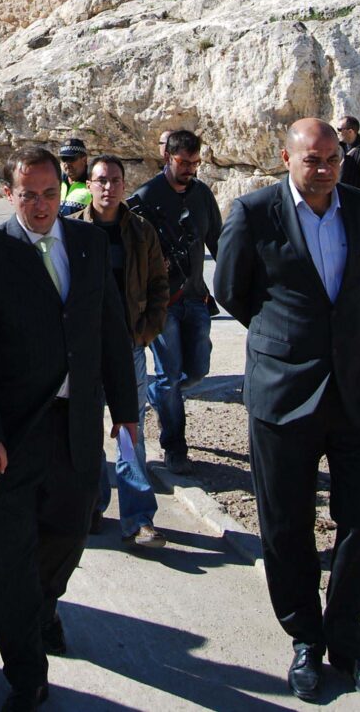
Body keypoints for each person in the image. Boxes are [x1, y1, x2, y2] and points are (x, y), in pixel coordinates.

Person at [214, 120, 360, 707]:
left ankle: (346, 640)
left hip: (359, 392)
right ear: (285, 159)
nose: (322, 169)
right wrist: (284, 340)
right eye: (311, 160)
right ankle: (304, 637)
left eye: (331, 159)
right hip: (283, 394)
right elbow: (231, 291)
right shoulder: (252, 212)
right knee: (287, 525)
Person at [0, 144, 138, 711]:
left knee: (69, 532)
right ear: (9, 194)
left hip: (77, 424)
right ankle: (25, 673)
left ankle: (42, 606)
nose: (39, 206)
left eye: (49, 194)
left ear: (63, 191)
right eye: (28, 195)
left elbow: (111, 329)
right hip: (12, 435)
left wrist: (127, 411)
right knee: (11, 557)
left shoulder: (87, 243)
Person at [82, 155, 169, 546]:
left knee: (130, 433)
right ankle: (92, 505)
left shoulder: (140, 231)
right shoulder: (71, 230)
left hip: (128, 346)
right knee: (84, 430)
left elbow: (158, 284)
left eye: (115, 180)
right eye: (101, 180)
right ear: (89, 183)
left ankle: (137, 518)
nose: (108, 188)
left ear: (124, 184)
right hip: (84, 349)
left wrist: (147, 331)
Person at [130, 128, 221, 473]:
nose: (191, 170)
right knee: (169, 374)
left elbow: (219, 241)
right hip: (162, 304)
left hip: (196, 297)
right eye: (184, 163)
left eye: (196, 163)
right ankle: (175, 445)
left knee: (197, 370)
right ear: (168, 157)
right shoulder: (145, 197)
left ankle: (163, 397)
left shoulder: (202, 195)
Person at [57, 137, 91, 217]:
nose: (67, 163)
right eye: (64, 159)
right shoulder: (56, 184)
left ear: (84, 160)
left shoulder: (93, 185)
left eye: (71, 159)